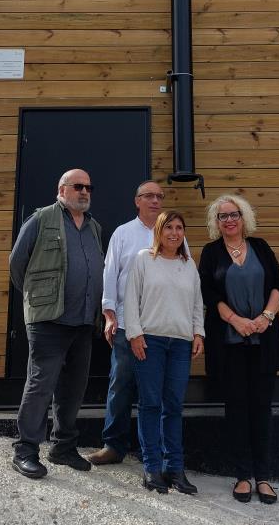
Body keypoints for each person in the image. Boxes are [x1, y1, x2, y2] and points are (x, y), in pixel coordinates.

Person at [8, 169, 103, 479]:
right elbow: (17, 264)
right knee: (40, 386)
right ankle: (25, 450)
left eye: (88, 187)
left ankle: (63, 448)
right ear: (62, 189)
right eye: (78, 186)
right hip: (49, 321)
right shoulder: (41, 219)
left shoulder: (94, 228)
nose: (85, 192)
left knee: (73, 390)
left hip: (83, 322)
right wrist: (39, 299)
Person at [89, 180, 189, 466]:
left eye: (159, 196)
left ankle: (159, 455)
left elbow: (187, 274)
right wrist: (109, 314)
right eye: (149, 196)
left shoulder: (173, 234)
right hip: (125, 322)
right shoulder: (123, 234)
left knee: (160, 392)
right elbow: (110, 275)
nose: (155, 201)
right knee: (121, 383)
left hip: (165, 325)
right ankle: (114, 445)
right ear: (137, 201)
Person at [197, 194, 279, 505]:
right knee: (236, 410)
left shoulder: (260, 247)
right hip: (230, 343)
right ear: (216, 222)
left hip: (264, 341)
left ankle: (263, 476)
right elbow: (209, 294)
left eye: (234, 214)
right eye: (223, 216)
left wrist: (265, 317)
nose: (229, 220)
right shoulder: (210, 253)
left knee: (261, 409)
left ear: (243, 217)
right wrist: (236, 320)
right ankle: (242, 476)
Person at [124, 210, 204, 495]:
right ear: (158, 231)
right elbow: (131, 298)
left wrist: (198, 333)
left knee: (173, 406)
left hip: (181, 344)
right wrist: (134, 333)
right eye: (168, 227)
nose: (174, 232)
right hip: (151, 342)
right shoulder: (144, 259)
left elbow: (197, 303)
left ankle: (175, 468)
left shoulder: (188, 264)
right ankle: (152, 468)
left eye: (179, 227)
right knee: (150, 404)